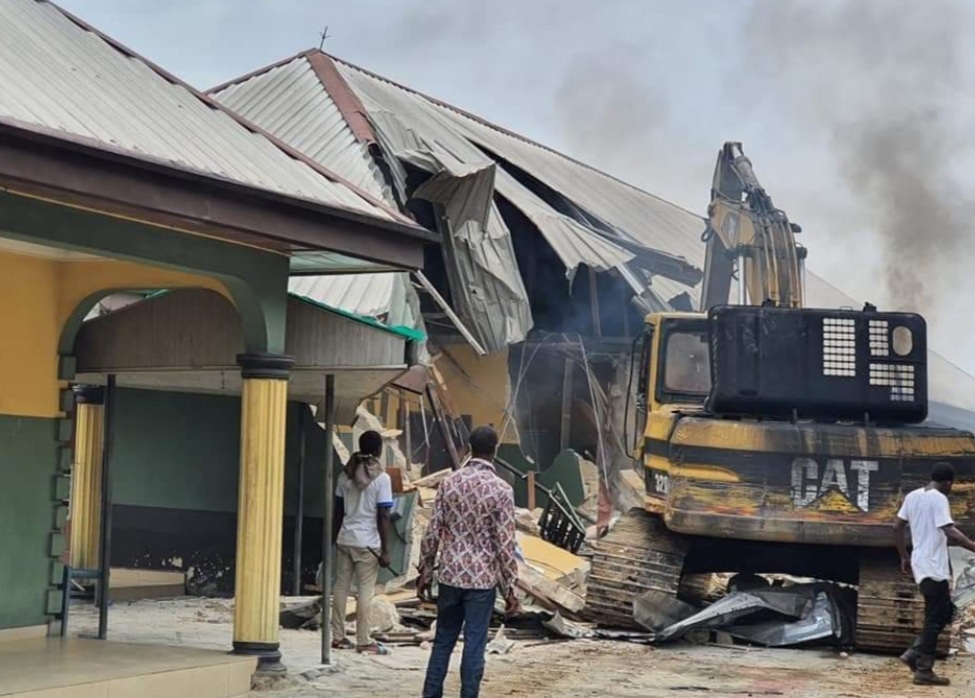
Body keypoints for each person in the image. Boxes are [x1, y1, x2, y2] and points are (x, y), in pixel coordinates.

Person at [418, 426, 519, 698]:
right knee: (475, 644)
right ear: (495, 450)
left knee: (443, 642)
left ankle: (431, 694)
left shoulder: (449, 483)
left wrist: (425, 571)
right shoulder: (502, 490)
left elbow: (432, 532)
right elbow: (505, 544)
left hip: (450, 575)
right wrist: (511, 588)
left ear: (469, 448)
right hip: (481, 581)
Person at [894, 462, 975, 685]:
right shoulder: (939, 498)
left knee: (945, 612)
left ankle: (914, 653)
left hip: (921, 563)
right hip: (933, 566)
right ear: (948, 482)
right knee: (934, 618)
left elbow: (897, 526)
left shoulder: (913, 496)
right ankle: (924, 670)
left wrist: (904, 556)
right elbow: (950, 532)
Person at [330, 430, 393, 654]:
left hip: (345, 538)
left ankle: (337, 637)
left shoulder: (344, 475)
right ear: (378, 450)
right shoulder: (382, 479)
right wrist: (386, 550)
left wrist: (333, 538)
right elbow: (383, 515)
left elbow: (337, 511)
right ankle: (363, 640)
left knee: (340, 587)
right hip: (368, 543)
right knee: (365, 591)